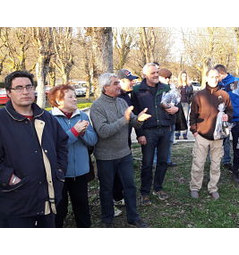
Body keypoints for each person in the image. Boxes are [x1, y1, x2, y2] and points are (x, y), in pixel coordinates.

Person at [0, 71, 68, 228]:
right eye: (18, 88)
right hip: (16, 202)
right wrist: (9, 178)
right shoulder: (2, 120)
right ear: (9, 93)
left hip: (48, 199)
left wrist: (58, 170)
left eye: (28, 86)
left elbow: (62, 143)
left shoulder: (46, 117)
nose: (25, 92)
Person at [90, 73, 151, 228]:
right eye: (115, 83)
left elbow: (133, 122)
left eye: (118, 82)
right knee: (106, 189)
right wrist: (124, 119)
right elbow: (103, 131)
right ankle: (107, 219)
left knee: (130, 186)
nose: (119, 85)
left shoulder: (122, 102)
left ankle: (133, 217)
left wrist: (139, 120)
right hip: (105, 156)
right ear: (105, 87)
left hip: (124, 154)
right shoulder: (97, 106)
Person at [48, 85, 98, 228]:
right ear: (58, 101)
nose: (75, 99)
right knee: (60, 207)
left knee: (82, 205)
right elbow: (54, 145)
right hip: (59, 173)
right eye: (70, 97)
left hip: (80, 171)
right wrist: (74, 132)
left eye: (74, 95)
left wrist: (83, 134)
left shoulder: (82, 115)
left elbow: (93, 140)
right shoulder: (50, 118)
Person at [131, 63, 178, 206]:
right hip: (148, 131)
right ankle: (145, 192)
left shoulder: (166, 88)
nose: (156, 75)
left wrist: (176, 109)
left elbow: (176, 104)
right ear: (145, 75)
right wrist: (140, 133)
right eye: (153, 73)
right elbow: (134, 113)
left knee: (163, 161)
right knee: (147, 163)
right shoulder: (138, 90)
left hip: (165, 129)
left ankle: (158, 188)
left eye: (157, 72)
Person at [189, 68, 233, 200]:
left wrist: (227, 116)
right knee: (198, 162)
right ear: (206, 78)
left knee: (215, 164)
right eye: (211, 76)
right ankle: (195, 187)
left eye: (216, 77)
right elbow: (192, 115)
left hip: (218, 137)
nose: (214, 79)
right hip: (202, 135)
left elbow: (231, 111)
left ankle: (213, 187)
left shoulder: (224, 95)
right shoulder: (199, 95)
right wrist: (194, 131)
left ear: (219, 78)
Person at [112, 69, 139, 215]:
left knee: (122, 172)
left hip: (125, 139)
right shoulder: (116, 98)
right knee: (114, 173)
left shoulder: (127, 96)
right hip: (113, 143)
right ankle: (113, 199)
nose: (133, 82)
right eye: (130, 80)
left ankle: (118, 196)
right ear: (121, 81)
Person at [157, 68, 178, 167]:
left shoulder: (172, 90)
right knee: (158, 142)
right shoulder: (155, 88)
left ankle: (167, 160)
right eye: (165, 78)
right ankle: (155, 161)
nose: (167, 80)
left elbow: (178, 104)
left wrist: (176, 108)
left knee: (169, 141)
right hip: (160, 120)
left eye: (169, 78)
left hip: (170, 119)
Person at [175, 71, 193, 140]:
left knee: (185, 118)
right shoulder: (177, 85)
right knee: (178, 118)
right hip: (178, 104)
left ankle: (185, 134)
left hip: (186, 103)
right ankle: (177, 134)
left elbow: (192, 94)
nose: (184, 78)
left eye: (185, 76)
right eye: (183, 76)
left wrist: (190, 102)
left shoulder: (189, 86)